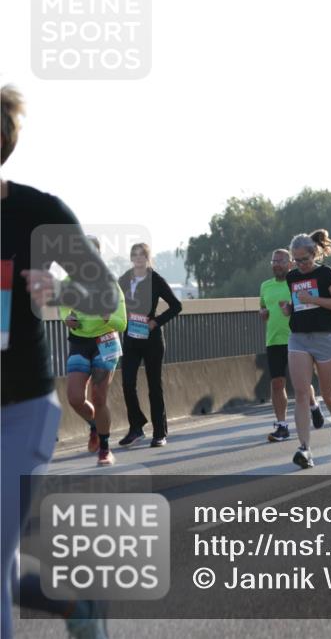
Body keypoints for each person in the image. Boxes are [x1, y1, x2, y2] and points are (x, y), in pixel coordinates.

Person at [2, 83, 119, 638]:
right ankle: (76, 604)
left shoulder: (37, 213)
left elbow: (105, 295)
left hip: (17, 409)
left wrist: (59, 288)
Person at [280, 230, 331, 468]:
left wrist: (313, 299)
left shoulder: (325, 273)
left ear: (314, 254)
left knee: (328, 394)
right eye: (296, 260)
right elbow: (298, 302)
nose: (301, 265)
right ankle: (305, 449)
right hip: (299, 337)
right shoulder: (292, 277)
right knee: (300, 393)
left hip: (326, 338)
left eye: (305, 260)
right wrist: (290, 307)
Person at [60, 237, 128, 465]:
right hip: (79, 342)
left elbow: (123, 323)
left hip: (105, 341)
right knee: (74, 398)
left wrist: (110, 317)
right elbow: (62, 308)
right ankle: (94, 426)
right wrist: (66, 318)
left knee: (99, 398)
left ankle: (105, 449)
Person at [117, 242, 183, 448]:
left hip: (152, 340)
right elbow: (114, 302)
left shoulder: (155, 279)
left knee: (154, 386)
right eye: (134, 254)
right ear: (131, 258)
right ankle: (136, 427)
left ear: (147, 258)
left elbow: (176, 306)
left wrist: (156, 321)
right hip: (131, 338)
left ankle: (159, 433)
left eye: (142, 255)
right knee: (127, 383)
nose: (138, 258)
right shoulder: (124, 279)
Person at [260, 248, 327, 442]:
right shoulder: (265, 286)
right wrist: (263, 313)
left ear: (290, 264)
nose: (277, 264)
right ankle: (282, 425)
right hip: (273, 340)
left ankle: (313, 406)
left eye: (281, 261)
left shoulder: (297, 282)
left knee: (302, 385)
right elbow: (263, 307)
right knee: (277, 383)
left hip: (296, 338)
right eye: (274, 261)